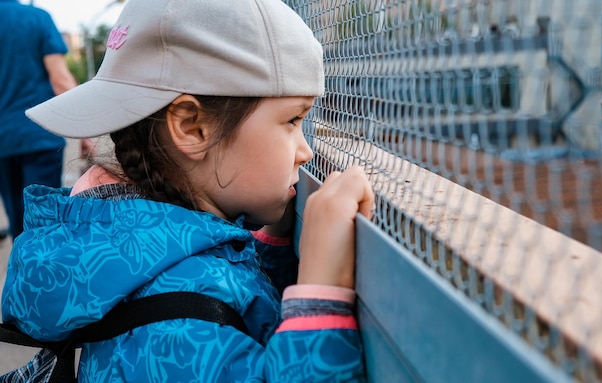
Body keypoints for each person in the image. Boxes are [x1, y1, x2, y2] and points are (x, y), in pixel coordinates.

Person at [1, 0, 374, 382]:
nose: (305, 150)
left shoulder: (131, 253)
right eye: (292, 119)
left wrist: (269, 249)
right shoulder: (176, 327)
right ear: (192, 127)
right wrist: (319, 295)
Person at [0, 0, 84, 241]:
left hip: (3, 140)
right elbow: (60, 80)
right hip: (39, 134)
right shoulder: (36, 18)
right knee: (46, 219)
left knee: (18, 221)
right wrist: (86, 130)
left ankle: (24, 273)